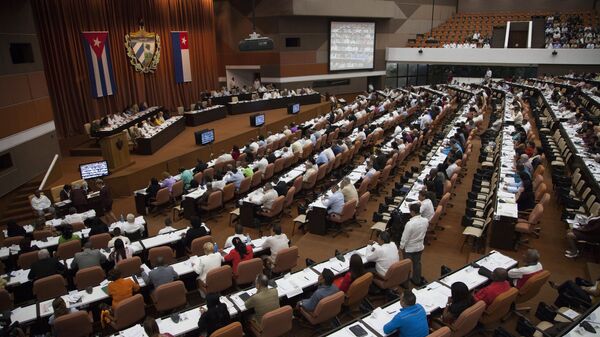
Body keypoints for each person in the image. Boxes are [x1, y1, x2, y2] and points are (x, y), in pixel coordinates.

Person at [400, 203, 428, 285]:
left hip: (409, 249)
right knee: (417, 264)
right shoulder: (425, 221)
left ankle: (405, 283)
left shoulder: (410, 224)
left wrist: (401, 247)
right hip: (419, 247)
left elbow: (405, 238)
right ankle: (417, 280)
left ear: (412, 212)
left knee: (406, 266)